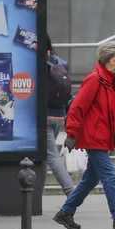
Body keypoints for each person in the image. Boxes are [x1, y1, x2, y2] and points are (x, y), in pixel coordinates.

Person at [53, 41, 115, 229]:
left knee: (91, 178)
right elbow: (78, 107)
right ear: (106, 59)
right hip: (94, 136)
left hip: (103, 135)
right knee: (109, 176)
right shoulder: (95, 79)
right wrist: (71, 133)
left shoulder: (111, 81)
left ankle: (65, 212)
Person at [46, 36, 75, 197]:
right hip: (59, 116)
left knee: (51, 156)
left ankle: (71, 192)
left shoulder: (36, 62)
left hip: (44, 116)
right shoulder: (61, 62)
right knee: (43, 155)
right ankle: (34, 193)